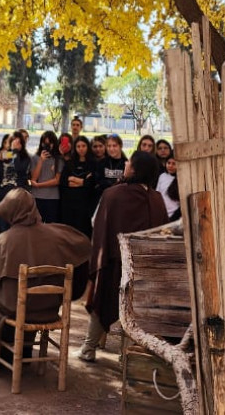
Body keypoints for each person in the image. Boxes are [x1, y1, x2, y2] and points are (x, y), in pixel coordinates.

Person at [0, 190, 91, 367]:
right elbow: (85, 245)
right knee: (23, 294)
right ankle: (24, 349)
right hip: (50, 306)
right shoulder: (57, 234)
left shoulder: (4, 239)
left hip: (16, 306)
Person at [79, 151, 169, 362]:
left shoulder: (113, 194)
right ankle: (127, 357)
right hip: (143, 268)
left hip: (114, 263)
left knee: (102, 300)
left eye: (129, 162)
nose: (126, 164)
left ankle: (88, 349)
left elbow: (97, 225)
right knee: (135, 313)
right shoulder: (157, 199)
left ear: (135, 169)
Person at [59, 136, 98, 237]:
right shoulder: (69, 163)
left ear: (88, 147)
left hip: (86, 205)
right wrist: (83, 181)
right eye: (78, 146)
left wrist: (74, 179)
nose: (81, 148)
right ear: (75, 148)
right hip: (69, 205)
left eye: (83, 146)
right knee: (69, 233)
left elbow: (92, 183)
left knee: (84, 234)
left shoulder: (93, 163)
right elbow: (64, 181)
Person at [29, 131, 63, 224]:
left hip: (52, 197)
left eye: (50, 143)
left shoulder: (58, 159)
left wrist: (39, 185)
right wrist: (41, 160)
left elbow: (57, 180)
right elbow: (34, 178)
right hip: (37, 196)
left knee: (51, 226)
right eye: (45, 143)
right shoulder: (35, 157)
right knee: (36, 225)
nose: (47, 146)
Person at [157, 157, 181, 221]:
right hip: (162, 212)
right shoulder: (162, 176)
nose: (170, 166)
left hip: (176, 213)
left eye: (174, 164)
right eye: (169, 163)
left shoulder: (181, 178)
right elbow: (157, 193)